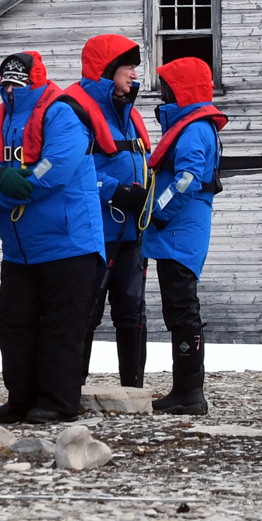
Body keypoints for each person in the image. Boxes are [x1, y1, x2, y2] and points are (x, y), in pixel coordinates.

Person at [0, 51, 104, 424]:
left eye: (18, 82)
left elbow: (52, 171)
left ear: (34, 81)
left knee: (61, 325)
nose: (11, 89)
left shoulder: (62, 113)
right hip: (19, 248)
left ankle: (59, 402)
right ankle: (21, 399)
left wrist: (1, 190)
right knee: (12, 324)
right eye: (6, 83)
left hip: (68, 242)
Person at [145, 57, 226, 414]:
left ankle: (189, 392)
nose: (162, 93)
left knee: (182, 310)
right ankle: (186, 389)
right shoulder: (195, 125)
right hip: (181, 230)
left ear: (182, 90)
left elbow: (187, 180)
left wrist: (158, 211)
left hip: (179, 231)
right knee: (180, 309)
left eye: (167, 87)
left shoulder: (193, 129)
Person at [76, 35, 155, 389]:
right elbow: (73, 168)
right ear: (108, 71)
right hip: (93, 235)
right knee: (85, 312)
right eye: (128, 68)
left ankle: (132, 389)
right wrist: (115, 190)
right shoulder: (77, 112)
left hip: (132, 233)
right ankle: (71, 388)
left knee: (132, 312)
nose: (135, 75)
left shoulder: (129, 115)